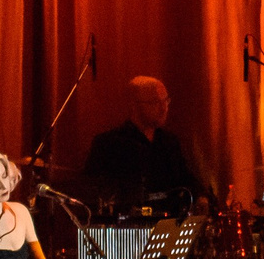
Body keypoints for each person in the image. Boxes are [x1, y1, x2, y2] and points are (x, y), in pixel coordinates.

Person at [83, 75, 203, 212]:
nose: (164, 108)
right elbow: (92, 191)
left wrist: (201, 196)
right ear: (134, 105)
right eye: (155, 102)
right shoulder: (109, 144)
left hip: (167, 223)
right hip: (127, 226)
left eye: (166, 101)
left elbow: (185, 179)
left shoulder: (169, 142)